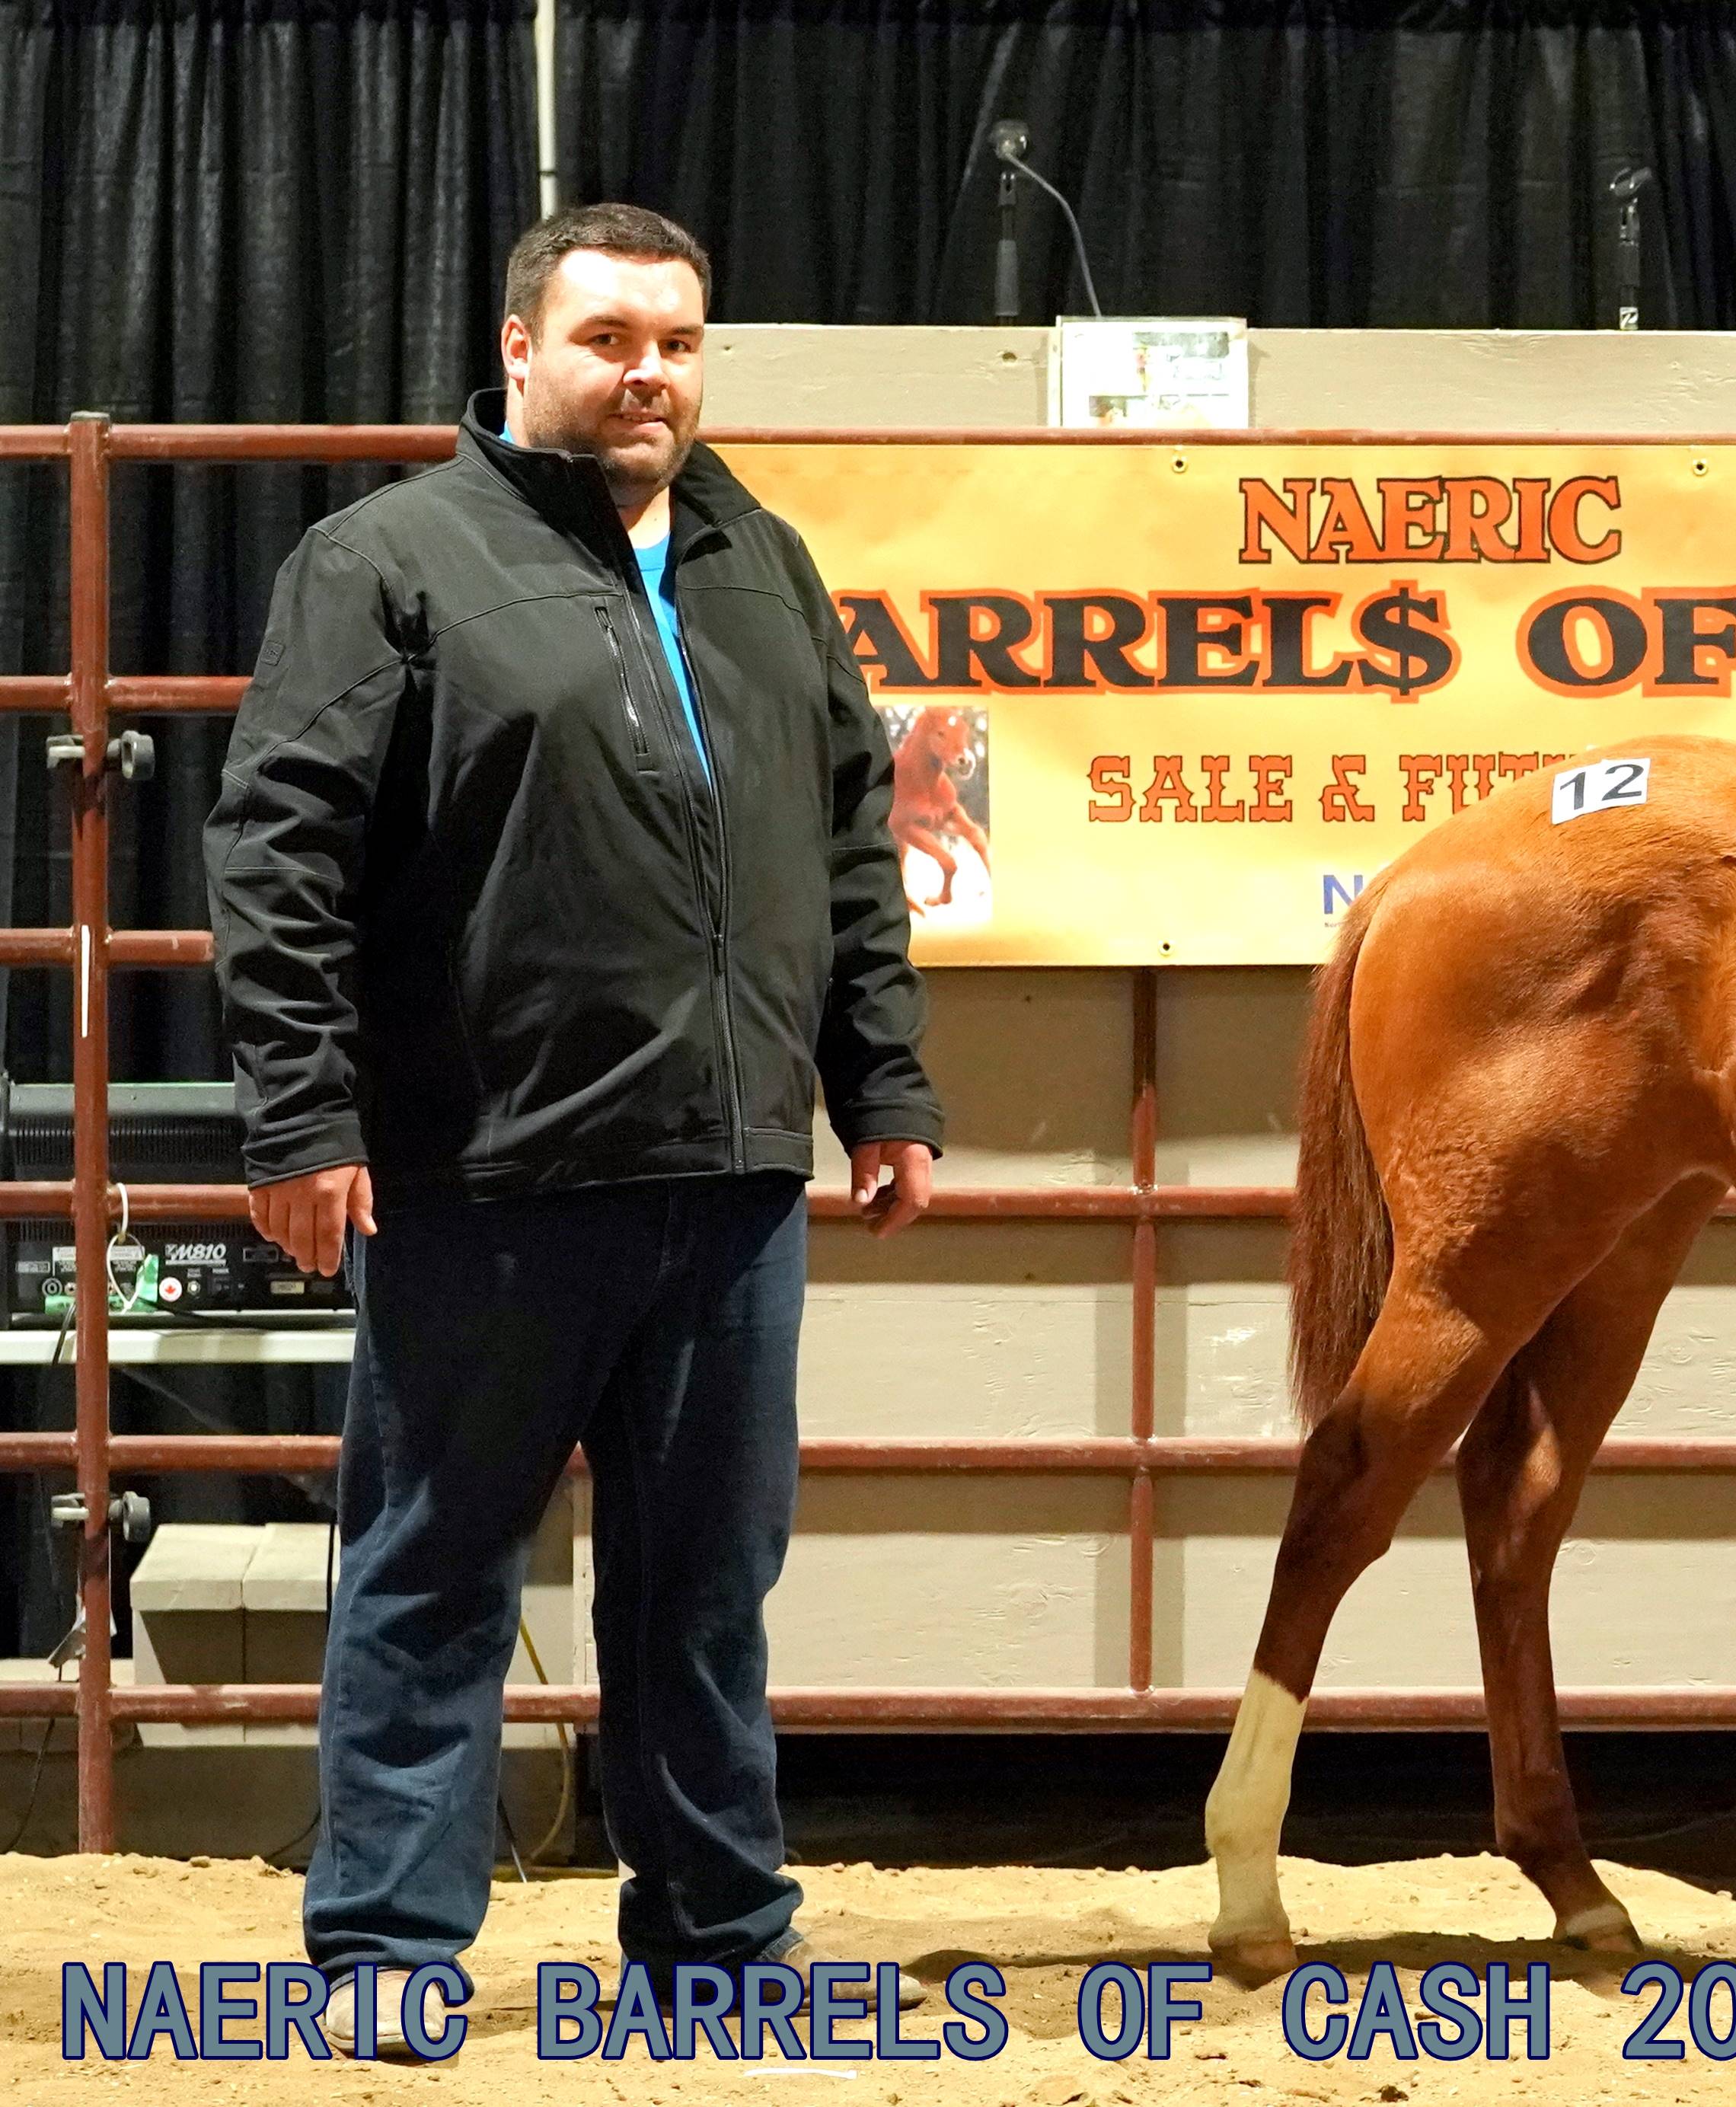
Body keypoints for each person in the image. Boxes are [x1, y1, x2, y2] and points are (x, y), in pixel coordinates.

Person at [208, 202, 944, 2048]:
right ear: (521, 346)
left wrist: (886, 1086)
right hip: (490, 1180)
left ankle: (714, 1941)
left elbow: (852, 836)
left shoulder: (758, 559)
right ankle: (387, 1946)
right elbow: (277, 850)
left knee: (705, 1591)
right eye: (614, 338)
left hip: (731, 1181)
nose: (653, 374)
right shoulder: (387, 562)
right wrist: (301, 1120)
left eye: (682, 342)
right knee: (438, 1564)